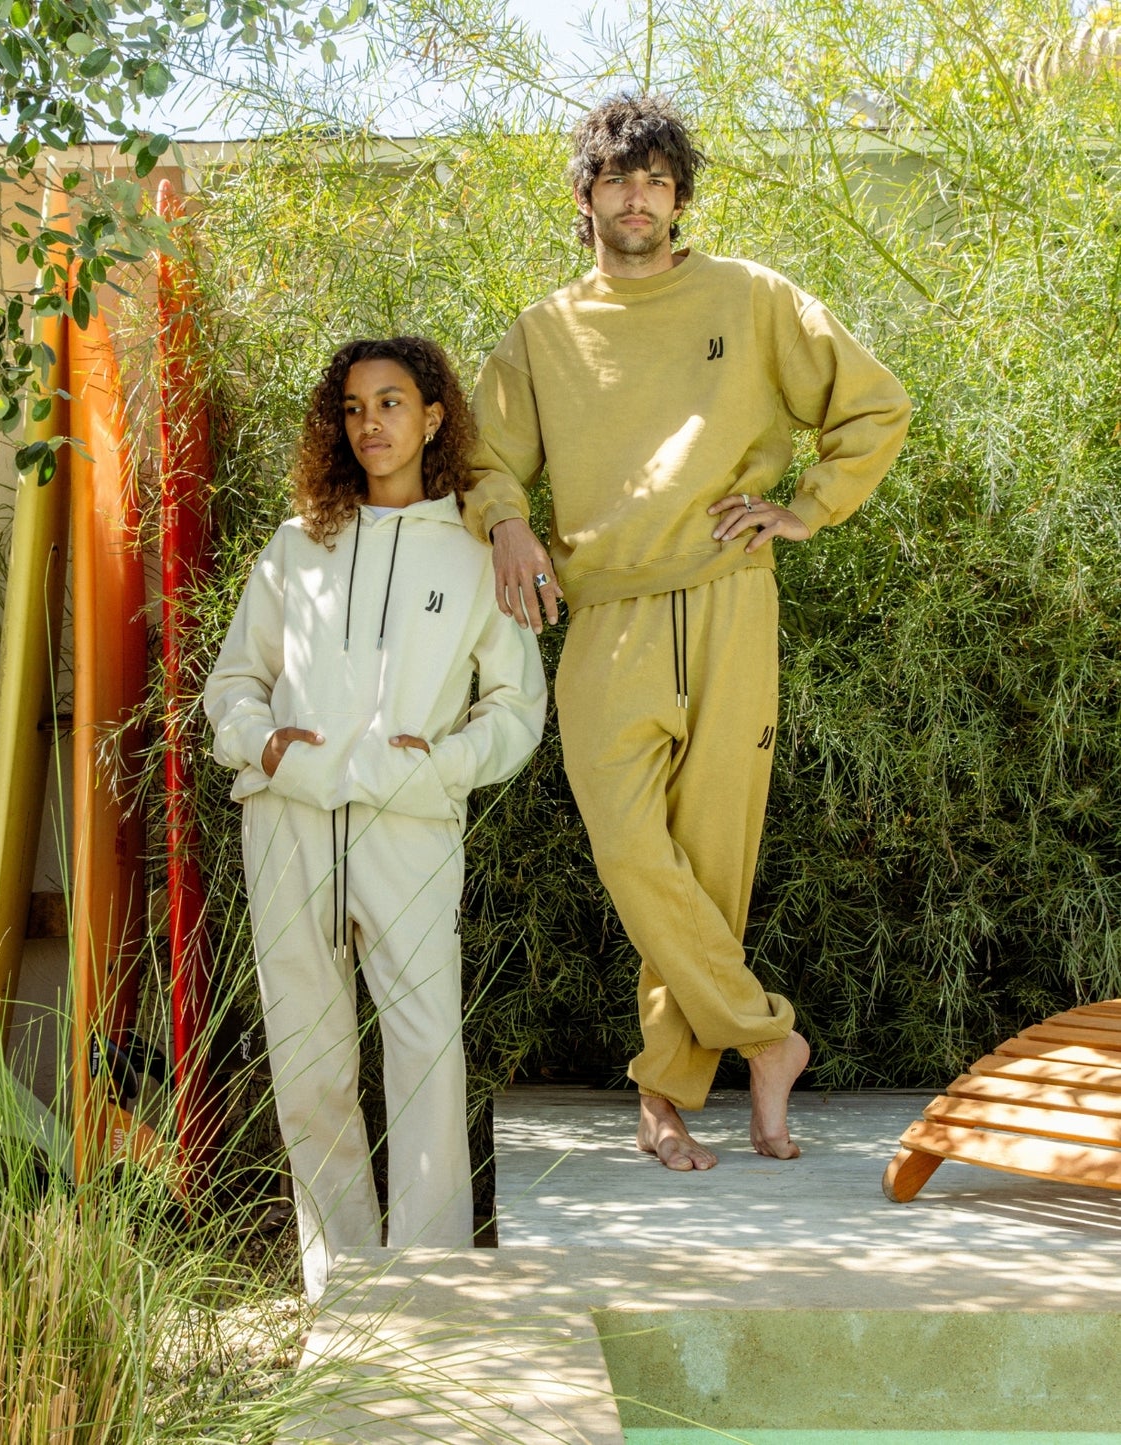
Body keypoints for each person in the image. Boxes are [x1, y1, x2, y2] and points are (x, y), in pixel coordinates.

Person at [465, 93, 911, 1171]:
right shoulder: (542, 332)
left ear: (678, 196)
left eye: (657, 180)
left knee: (708, 867)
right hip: (605, 614)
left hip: (727, 599)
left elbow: (873, 405)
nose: (637, 197)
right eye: (617, 180)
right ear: (585, 197)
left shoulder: (750, 298)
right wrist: (509, 523)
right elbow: (479, 455)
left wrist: (806, 507)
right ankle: (767, 1036)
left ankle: (665, 1094)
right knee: (630, 847)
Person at [205, 336, 546, 1299]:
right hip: (289, 825)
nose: (372, 425)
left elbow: (516, 706)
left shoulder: (478, 556)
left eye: (391, 404)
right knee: (308, 1056)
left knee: (426, 1052)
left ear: (433, 418)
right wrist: (263, 745)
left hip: (409, 828)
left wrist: (442, 768)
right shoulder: (295, 546)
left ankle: (428, 1285)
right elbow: (233, 682)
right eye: (354, 408)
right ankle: (340, 1283)